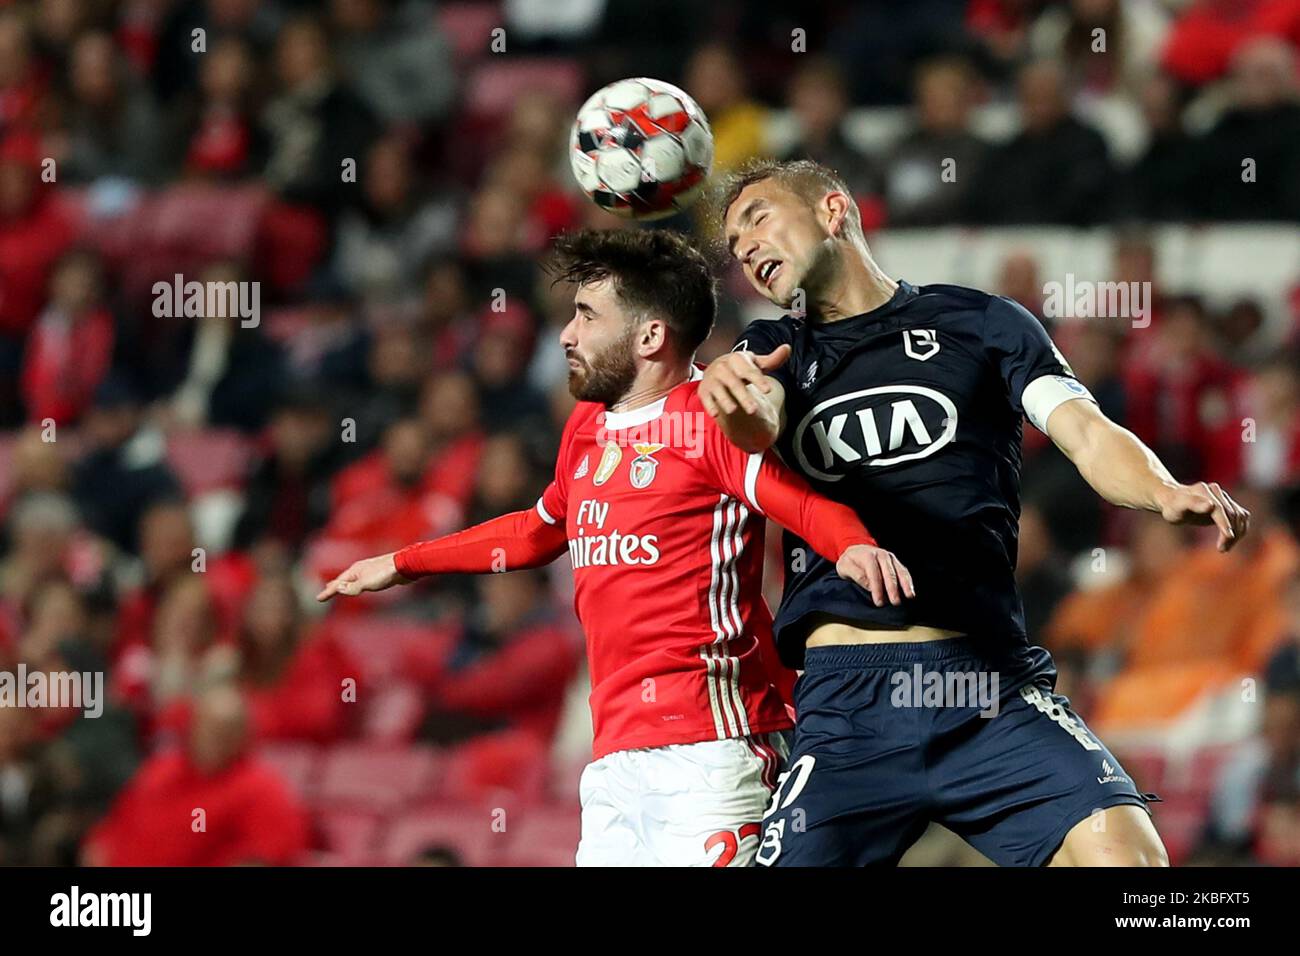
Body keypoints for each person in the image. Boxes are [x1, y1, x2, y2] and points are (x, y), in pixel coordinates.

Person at [701, 158, 1250, 867]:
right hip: (846, 707)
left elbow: (1083, 430)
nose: (744, 247)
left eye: (758, 218)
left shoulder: (982, 322)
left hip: (983, 682)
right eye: (734, 243)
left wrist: (1166, 490)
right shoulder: (770, 349)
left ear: (833, 210)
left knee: (1130, 860)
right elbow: (759, 425)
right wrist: (740, 405)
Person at [319, 229, 913, 866]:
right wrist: (402, 563)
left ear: (650, 336)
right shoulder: (587, 424)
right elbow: (538, 530)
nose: (567, 335)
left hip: (713, 746)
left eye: (587, 315)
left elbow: (797, 501)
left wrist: (852, 545)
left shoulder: (709, 415)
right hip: (614, 758)